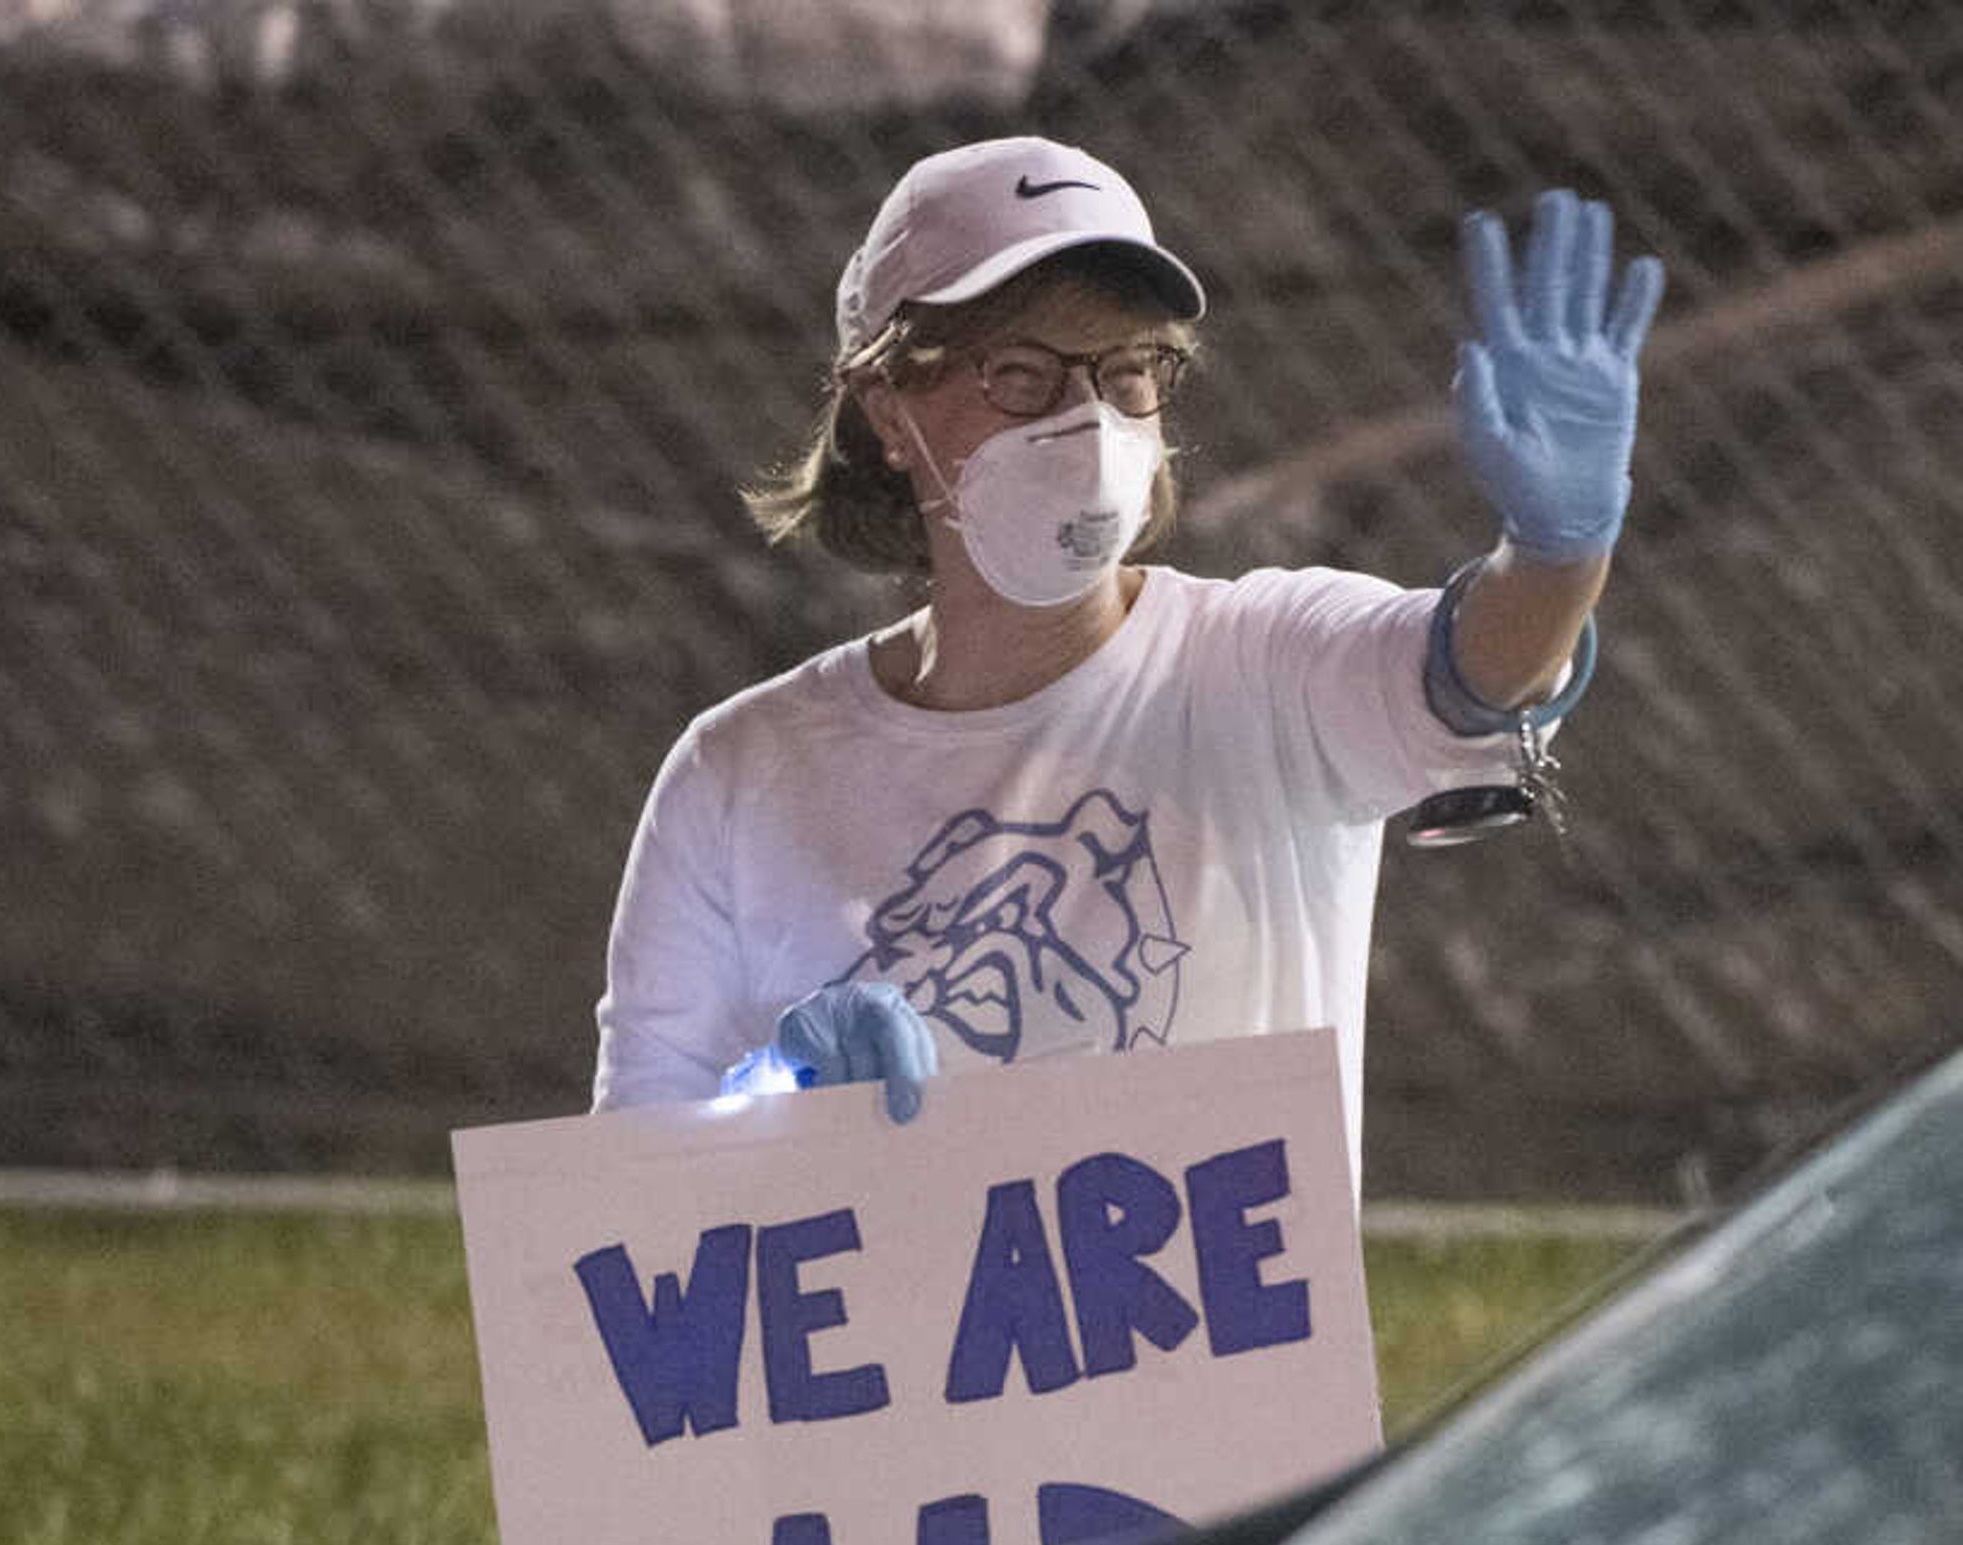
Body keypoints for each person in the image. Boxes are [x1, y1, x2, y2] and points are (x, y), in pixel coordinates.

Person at [589, 134, 1660, 1158]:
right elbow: (630, 1191)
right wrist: (778, 1094)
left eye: (1129, 369)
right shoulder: (739, 775)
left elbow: (1467, 671)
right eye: (1020, 371)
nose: (1087, 418)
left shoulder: (1255, 669)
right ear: (886, 404)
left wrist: (1558, 553)